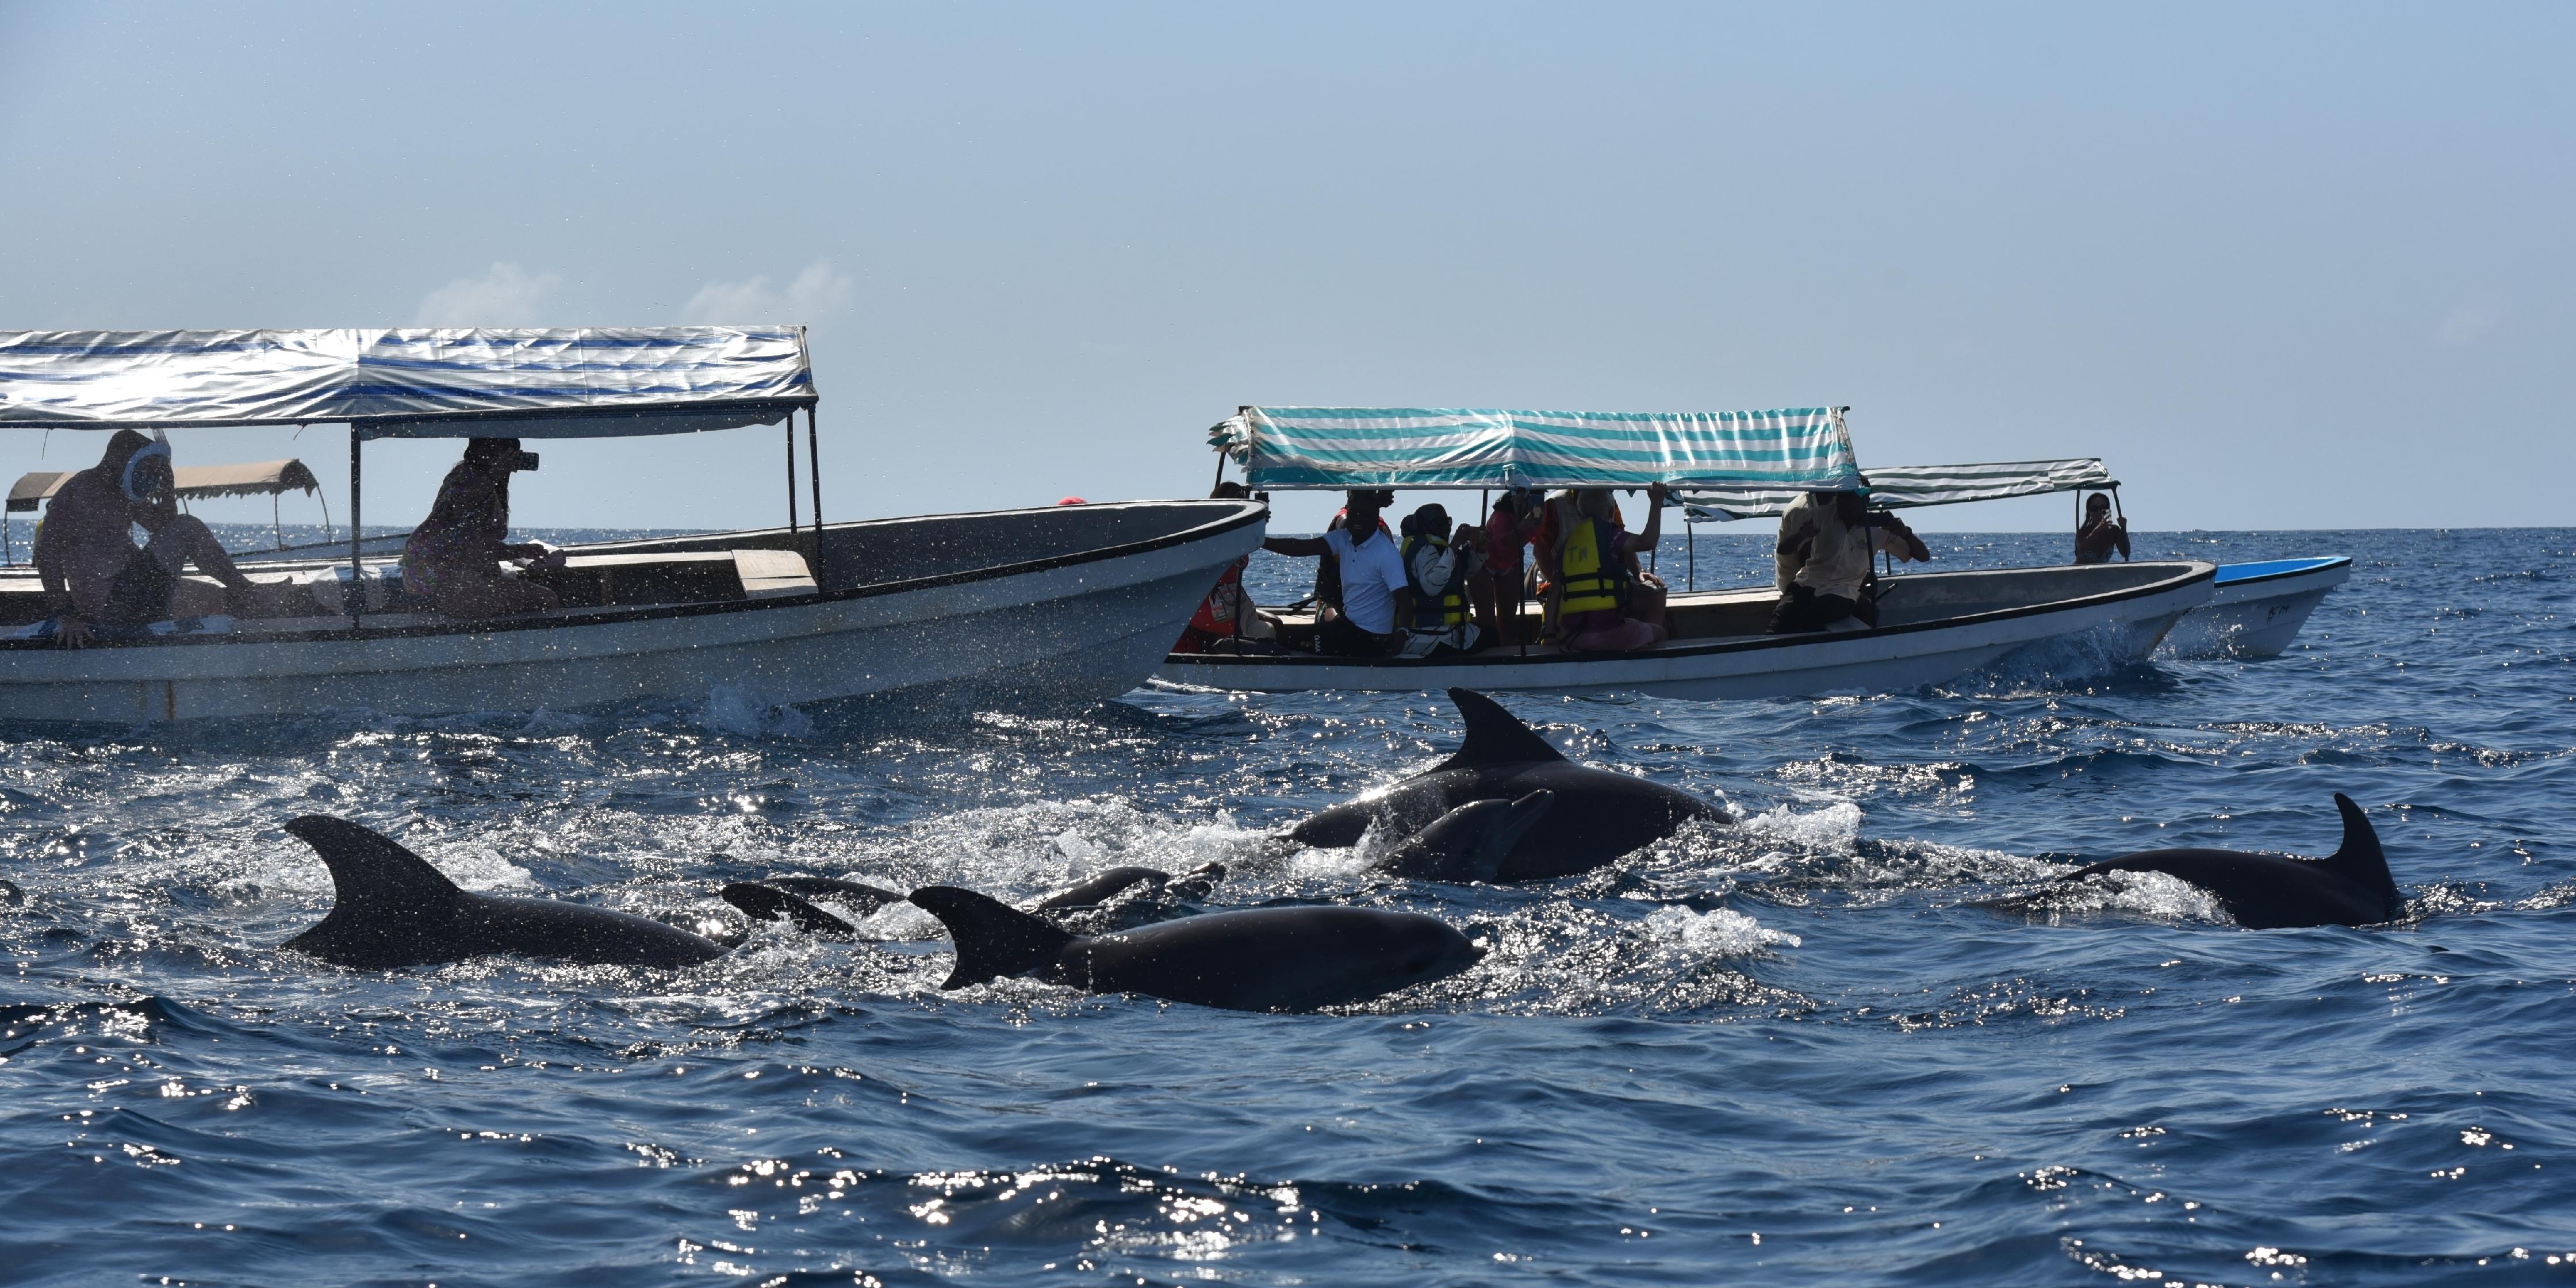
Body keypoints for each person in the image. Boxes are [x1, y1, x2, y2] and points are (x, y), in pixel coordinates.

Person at [33, 429, 258, 647]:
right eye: (145, 466)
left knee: (215, 597)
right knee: (187, 525)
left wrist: (167, 490)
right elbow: (46, 552)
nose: (148, 473)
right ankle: (249, 593)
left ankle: (256, 598)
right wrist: (65, 614)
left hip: (134, 594)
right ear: (122, 459)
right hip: (112, 604)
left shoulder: (122, 492)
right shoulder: (82, 488)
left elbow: (163, 526)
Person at [402, 437, 564, 618]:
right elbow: (461, 523)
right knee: (547, 599)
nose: (514, 464)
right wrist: (495, 474)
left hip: (451, 579)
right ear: (487, 453)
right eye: (509, 455)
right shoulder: (468, 480)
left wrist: (521, 551)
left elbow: (474, 544)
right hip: (447, 584)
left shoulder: (478, 481)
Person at [1263, 489, 1412, 656]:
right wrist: (1261, 541)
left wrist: (1402, 632)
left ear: (1376, 517)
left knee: (1289, 640)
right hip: (1348, 627)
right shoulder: (1343, 539)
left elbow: (1405, 601)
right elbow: (1300, 547)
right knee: (1286, 637)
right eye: (1354, 513)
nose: (1358, 519)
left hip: (1371, 639)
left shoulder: (1386, 553)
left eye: (1364, 515)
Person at [1768, 490, 1931, 634]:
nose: (1842, 503)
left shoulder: (1880, 528)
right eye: (1841, 497)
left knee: (1809, 619)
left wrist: (1905, 533)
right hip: (1807, 582)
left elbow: (1924, 556)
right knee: (1780, 619)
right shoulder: (1820, 515)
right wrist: (1802, 535)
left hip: (1843, 591)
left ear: (1864, 502)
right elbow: (1783, 549)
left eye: (1849, 499)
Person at [1554, 484, 1671, 653]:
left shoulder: (1567, 545)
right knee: (1660, 633)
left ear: (1580, 514)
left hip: (1571, 635)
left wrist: (1550, 634)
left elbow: (1554, 593)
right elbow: (1649, 541)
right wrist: (1656, 501)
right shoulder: (1611, 536)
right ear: (1610, 513)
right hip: (1607, 633)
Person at [1174, 482, 1252, 653]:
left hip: (1229, 602)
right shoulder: (1211, 538)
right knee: (1254, 630)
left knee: (1274, 624)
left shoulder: (1240, 535)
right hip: (1208, 607)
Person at [1397, 501, 1482, 653]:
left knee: (1489, 635)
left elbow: (1467, 573)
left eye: (1448, 521)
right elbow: (1432, 587)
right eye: (1439, 522)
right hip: (1430, 638)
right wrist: (1455, 544)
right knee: (1491, 639)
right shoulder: (1425, 549)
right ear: (1426, 524)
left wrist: (1481, 551)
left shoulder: (1441, 548)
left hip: (1451, 632)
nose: (1447, 527)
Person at [1471, 489, 1543, 645]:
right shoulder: (1501, 516)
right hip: (1484, 563)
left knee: (1508, 623)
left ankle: (1507, 650)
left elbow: (1539, 543)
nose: (1533, 502)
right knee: (1487, 623)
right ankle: (1490, 650)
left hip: (1510, 564)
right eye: (1530, 498)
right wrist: (1522, 527)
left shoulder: (1536, 517)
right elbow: (1501, 542)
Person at [2074, 492, 2130, 565]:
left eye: (2103, 508)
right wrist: (2097, 530)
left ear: (2108, 510)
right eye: (2094, 509)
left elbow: (2126, 553)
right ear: (2089, 511)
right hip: (2080, 573)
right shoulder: (2083, 531)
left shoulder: (2114, 531)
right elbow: (2083, 549)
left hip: (2102, 574)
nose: (2099, 512)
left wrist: (2124, 530)